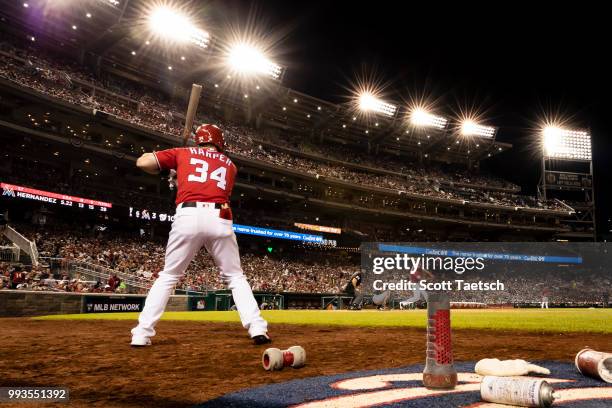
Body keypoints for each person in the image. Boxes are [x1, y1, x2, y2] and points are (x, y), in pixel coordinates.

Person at [130, 124, 270, 346]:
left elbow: (142, 162)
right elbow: (210, 183)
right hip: (221, 216)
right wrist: (178, 174)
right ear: (220, 142)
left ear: (198, 140)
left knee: (169, 276)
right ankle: (257, 328)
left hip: (188, 214)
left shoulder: (182, 152)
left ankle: (141, 333)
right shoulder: (231, 165)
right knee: (235, 277)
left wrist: (171, 171)